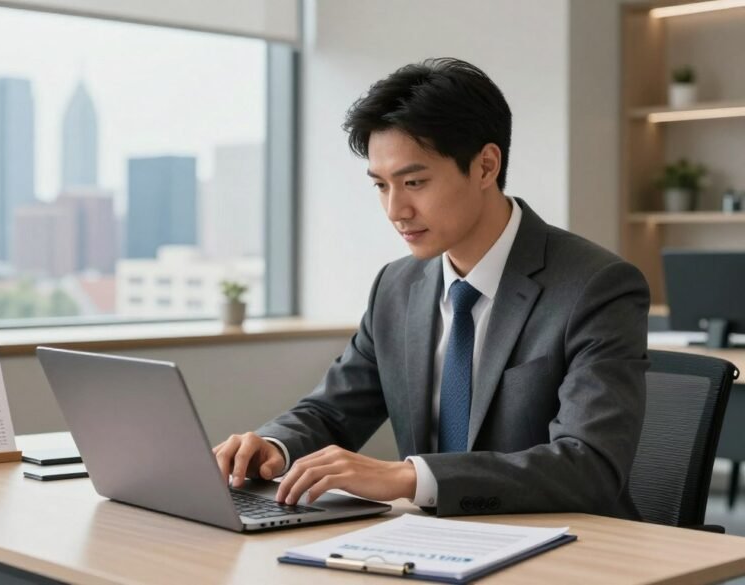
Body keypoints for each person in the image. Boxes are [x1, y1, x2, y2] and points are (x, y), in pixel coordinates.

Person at [212, 58, 649, 518]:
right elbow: (334, 411)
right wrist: (273, 445)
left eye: (414, 182)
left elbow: (590, 466)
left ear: (485, 166)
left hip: (569, 549)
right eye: (381, 186)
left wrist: (409, 477)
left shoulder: (597, 287)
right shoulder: (396, 287)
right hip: (433, 547)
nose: (395, 210)